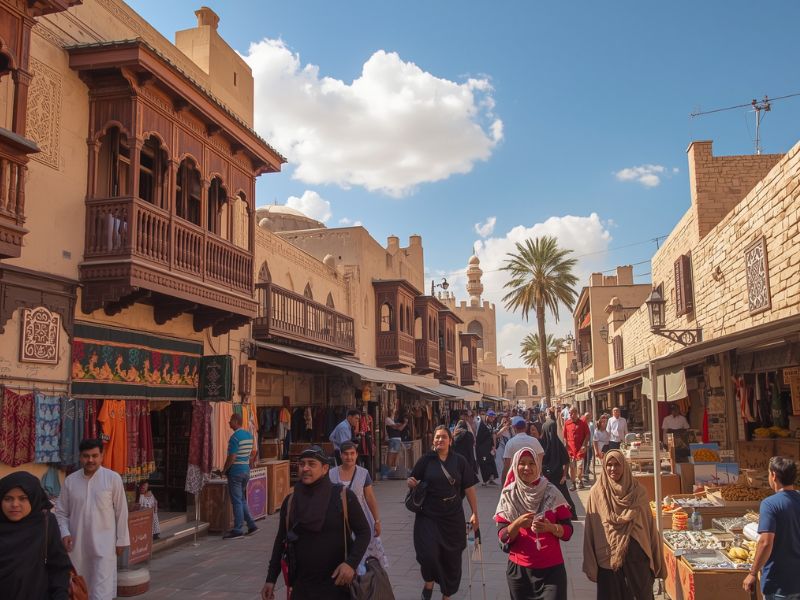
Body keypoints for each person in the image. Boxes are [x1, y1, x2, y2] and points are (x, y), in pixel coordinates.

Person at [262, 446, 371, 600]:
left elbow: (364, 531)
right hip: (302, 587)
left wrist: (351, 564)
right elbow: (281, 540)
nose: (305, 468)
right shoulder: (291, 501)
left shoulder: (343, 496)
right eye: (302, 464)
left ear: (325, 468)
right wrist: (271, 579)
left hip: (337, 586)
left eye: (311, 464)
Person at [408, 425, 479, 600]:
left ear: (450, 440)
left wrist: (474, 512)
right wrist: (411, 483)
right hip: (428, 515)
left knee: (452, 558)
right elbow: (413, 479)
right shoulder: (426, 460)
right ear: (433, 441)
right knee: (427, 553)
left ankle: (447, 594)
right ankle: (429, 580)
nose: (440, 440)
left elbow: (469, 488)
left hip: (453, 516)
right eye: (437, 437)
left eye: (444, 437)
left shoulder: (459, 461)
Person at [583, 450, 664, 600]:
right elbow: (590, 529)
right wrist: (590, 560)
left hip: (636, 555)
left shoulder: (639, 492)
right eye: (609, 464)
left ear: (624, 467)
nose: (613, 469)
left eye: (617, 465)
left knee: (641, 594)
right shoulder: (596, 492)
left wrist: (654, 553)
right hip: (608, 557)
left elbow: (649, 526)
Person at [56, 438, 130, 600]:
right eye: (86, 456)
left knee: (101, 591)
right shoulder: (70, 481)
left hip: (105, 546)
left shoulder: (112, 478)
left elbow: (121, 512)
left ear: (102, 456)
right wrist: (64, 533)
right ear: (80, 457)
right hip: (77, 547)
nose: (90, 460)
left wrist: (121, 540)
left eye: (95, 456)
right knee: (79, 589)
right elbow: (61, 512)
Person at [495, 447, 574, 600]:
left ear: (538, 466)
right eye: (522, 463)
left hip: (552, 571)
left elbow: (568, 532)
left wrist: (550, 527)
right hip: (519, 572)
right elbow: (502, 537)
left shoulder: (552, 492)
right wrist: (517, 524)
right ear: (515, 466)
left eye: (531, 463)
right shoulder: (508, 495)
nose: (527, 468)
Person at [0, 471, 72, 599]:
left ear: (33, 498)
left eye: (22, 498)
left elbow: (59, 567)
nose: (15, 504)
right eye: (8, 498)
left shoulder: (46, 523)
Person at [742, 456, 800, 599]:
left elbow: (766, 542)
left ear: (773, 475)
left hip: (779, 583)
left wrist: (752, 573)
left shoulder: (769, 504)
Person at [329, 441, 388, 573]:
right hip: (337, 521)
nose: (349, 457)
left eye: (352, 454)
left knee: (361, 554)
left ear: (356, 455)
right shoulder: (331, 474)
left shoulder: (363, 473)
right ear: (340, 455)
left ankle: (362, 582)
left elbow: (370, 498)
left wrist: (377, 521)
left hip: (360, 520)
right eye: (346, 454)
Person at [222, 412, 258, 539]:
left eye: (231, 420)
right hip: (246, 470)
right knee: (241, 499)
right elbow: (253, 452)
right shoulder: (249, 435)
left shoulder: (234, 438)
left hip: (236, 472)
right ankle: (252, 525)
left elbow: (232, 457)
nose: (229, 423)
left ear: (236, 422)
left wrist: (224, 470)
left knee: (237, 501)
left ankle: (237, 529)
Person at [541, 414, 577, 519]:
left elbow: (566, 461)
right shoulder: (542, 444)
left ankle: (571, 514)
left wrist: (564, 476)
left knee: (564, 496)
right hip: (546, 477)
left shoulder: (558, 445)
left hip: (558, 477)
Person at [503, 416, 545, 484]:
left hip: (517, 478)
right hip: (533, 477)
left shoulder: (510, 443)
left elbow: (507, 465)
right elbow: (540, 458)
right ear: (526, 428)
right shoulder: (534, 441)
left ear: (514, 428)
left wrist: (504, 484)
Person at [563, 407, 591, 491]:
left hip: (580, 449)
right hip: (571, 450)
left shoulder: (583, 423)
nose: (571, 415)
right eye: (570, 413)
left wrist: (584, 445)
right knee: (572, 467)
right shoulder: (567, 423)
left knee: (579, 467)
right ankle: (573, 483)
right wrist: (565, 444)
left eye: (572, 413)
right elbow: (564, 436)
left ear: (576, 413)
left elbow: (587, 435)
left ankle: (579, 480)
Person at [476, 410, 499, 486]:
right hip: (482, 450)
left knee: (491, 462)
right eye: (491, 417)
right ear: (488, 416)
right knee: (484, 464)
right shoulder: (482, 425)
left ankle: (491, 479)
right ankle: (485, 481)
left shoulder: (490, 425)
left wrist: (493, 446)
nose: (493, 419)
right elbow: (479, 438)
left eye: (493, 418)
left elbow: (491, 437)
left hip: (488, 449)